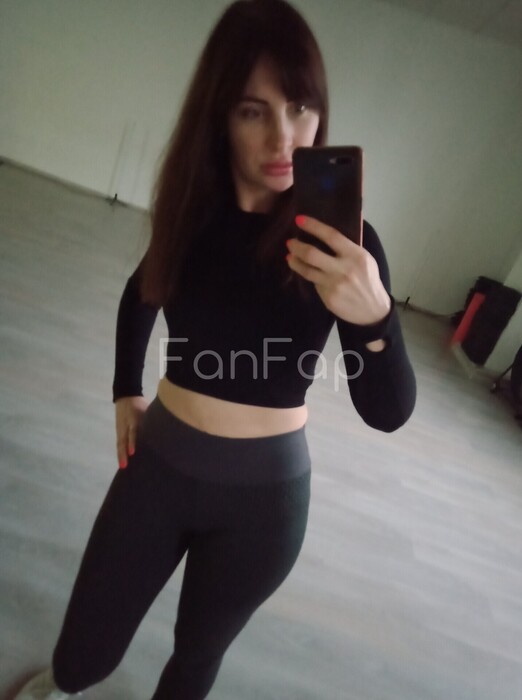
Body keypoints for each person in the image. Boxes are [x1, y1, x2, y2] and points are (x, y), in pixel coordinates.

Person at [14, 0, 416, 698]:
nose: (283, 137)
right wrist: (125, 390)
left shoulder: (345, 246)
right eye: (253, 111)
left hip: (263, 503)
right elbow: (142, 292)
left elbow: (388, 412)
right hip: (157, 469)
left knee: (195, 660)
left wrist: (376, 316)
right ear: (219, 116)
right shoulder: (192, 214)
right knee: (82, 656)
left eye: (299, 107)